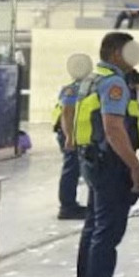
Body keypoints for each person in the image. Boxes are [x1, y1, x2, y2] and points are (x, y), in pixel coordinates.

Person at [72, 32, 139, 277]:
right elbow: (114, 129)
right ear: (117, 53)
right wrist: (136, 167)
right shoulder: (114, 83)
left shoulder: (93, 78)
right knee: (108, 231)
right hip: (110, 164)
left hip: (93, 160)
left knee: (94, 226)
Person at [55, 53, 93, 220]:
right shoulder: (72, 89)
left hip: (77, 134)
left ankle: (70, 204)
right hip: (70, 134)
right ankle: (67, 206)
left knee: (75, 170)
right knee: (71, 170)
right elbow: (67, 113)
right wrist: (69, 137)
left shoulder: (82, 87)